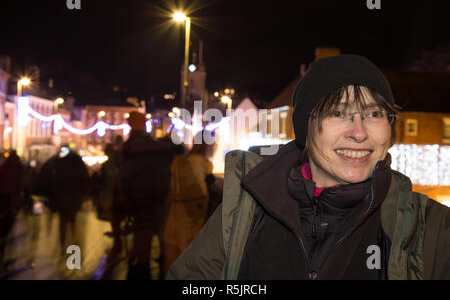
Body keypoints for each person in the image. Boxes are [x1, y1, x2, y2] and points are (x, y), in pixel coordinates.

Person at [167, 54, 450, 280]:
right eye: (337, 112)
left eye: (375, 113)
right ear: (306, 127)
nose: (359, 132)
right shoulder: (246, 209)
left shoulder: (429, 228)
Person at [120, 112, 180, 280]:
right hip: (159, 197)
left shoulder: (131, 147)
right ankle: (163, 268)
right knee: (162, 233)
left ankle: (141, 269)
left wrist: (127, 200)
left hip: (139, 199)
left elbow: (125, 176)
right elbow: (177, 150)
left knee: (143, 235)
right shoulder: (156, 147)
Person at [161, 131, 216, 277]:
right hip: (192, 212)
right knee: (189, 250)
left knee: (174, 248)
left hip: (176, 209)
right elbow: (201, 191)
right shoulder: (200, 163)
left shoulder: (181, 161)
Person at [35, 145, 90, 254]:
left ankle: (63, 245)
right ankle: (74, 242)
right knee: (72, 219)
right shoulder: (76, 161)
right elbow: (84, 178)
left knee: (63, 221)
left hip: (61, 197)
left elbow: (46, 176)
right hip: (74, 197)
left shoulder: (56, 161)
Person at [98, 143, 125, 258]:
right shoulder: (120, 165)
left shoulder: (107, 166)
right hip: (119, 198)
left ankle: (117, 247)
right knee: (116, 224)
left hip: (113, 199)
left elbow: (106, 184)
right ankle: (118, 245)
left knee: (115, 224)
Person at [0, 150, 23, 276]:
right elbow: (19, 185)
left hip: (5, 202)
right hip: (9, 203)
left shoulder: (4, 167)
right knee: (4, 233)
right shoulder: (17, 168)